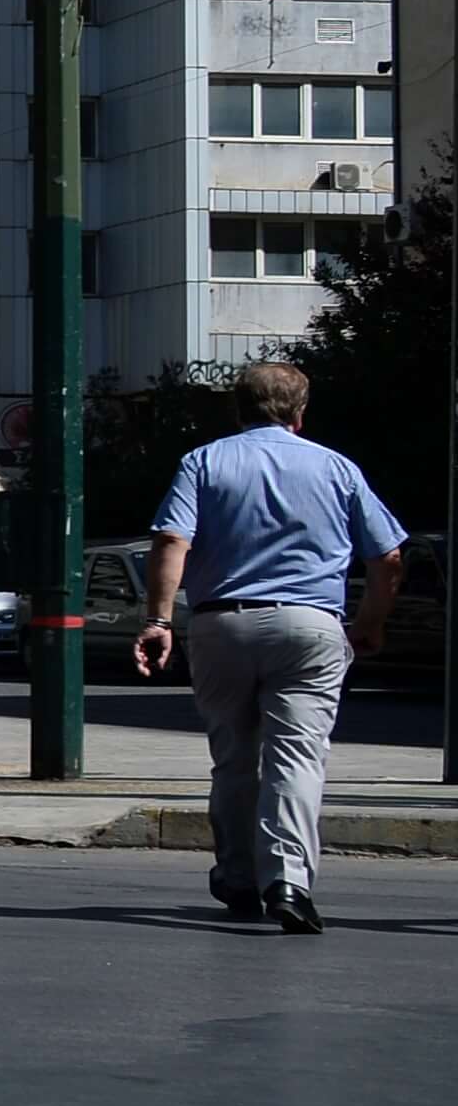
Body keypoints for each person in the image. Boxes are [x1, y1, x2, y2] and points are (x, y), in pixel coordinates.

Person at [130, 359, 406, 934]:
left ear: (238, 409)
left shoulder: (203, 462)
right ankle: (288, 880)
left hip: (221, 623)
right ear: (300, 414)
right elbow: (388, 557)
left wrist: (159, 620)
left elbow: (171, 540)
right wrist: (370, 622)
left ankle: (236, 874)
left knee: (234, 755)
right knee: (298, 757)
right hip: (310, 625)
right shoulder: (337, 469)